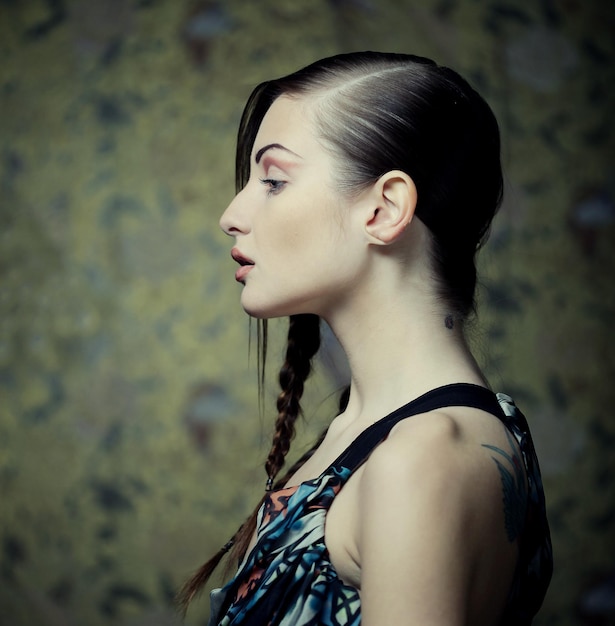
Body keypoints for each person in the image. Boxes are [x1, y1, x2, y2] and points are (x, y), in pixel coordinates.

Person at [179, 51, 553, 625]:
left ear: (384, 209)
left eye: (274, 180)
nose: (232, 213)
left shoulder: (424, 457)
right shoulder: (379, 432)